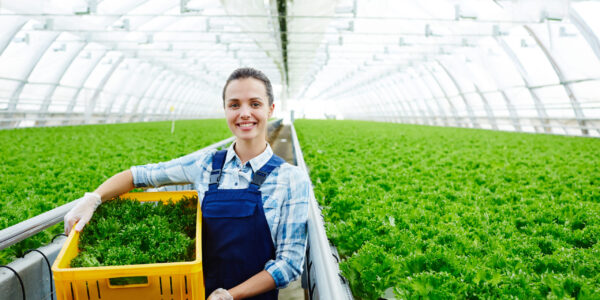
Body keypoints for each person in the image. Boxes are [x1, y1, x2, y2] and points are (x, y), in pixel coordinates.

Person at [64, 67, 310, 300]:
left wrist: (230, 295)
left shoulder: (291, 179)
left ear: (270, 109)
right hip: (195, 292)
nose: (244, 113)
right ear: (225, 110)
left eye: (255, 104)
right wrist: (93, 198)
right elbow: (139, 175)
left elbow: (288, 264)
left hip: (253, 297)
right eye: (234, 105)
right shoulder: (205, 164)